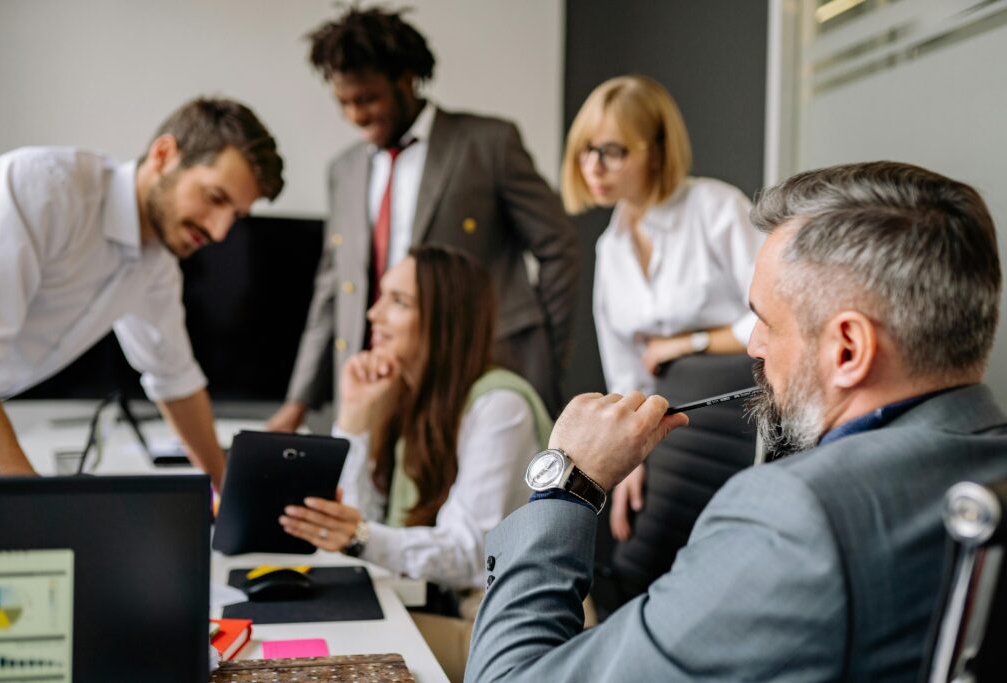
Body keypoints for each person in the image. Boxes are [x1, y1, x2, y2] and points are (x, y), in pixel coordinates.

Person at [465, 161, 1007, 682]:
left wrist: (566, 485)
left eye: (766, 322)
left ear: (847, 349)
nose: (753, 345)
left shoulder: (794, 519)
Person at [266, 6, 578, 431]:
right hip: (381, 379)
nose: (356, 115)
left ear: (406, 80)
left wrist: (542, 350)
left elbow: (558, 245)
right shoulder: (344, 169)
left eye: (368, 99)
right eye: (344, 103)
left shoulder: (488, 143)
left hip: (479, 375)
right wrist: (296, 401)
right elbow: (332, 290)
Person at [279, 245, 550, 680]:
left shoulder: (500, 407)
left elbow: (470, 554)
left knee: (320, 654)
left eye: (398, 302)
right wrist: (353, 420)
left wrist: (358, 536)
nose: (374, 314)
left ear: (446, 322)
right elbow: (363, 522)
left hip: (501, 626)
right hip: (440, 602)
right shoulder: (411, 397)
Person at [0, 98, 285, 489]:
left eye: (236, 216)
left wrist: (223, 487)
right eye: (215, 198)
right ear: (164, 154)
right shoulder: (44, 189)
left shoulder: (156, 265)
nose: (220, 232)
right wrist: (33, 505)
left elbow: (176, 379)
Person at [561, 74, 762, 542]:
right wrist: (629, 459)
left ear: (653, 149)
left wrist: (690, 343)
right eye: (586, 150)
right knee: (637, 547)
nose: (594, 166)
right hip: (670, 424)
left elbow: (776, 315)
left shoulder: (715, 208)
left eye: (612, 151)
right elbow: (625, 369)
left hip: (742, 414)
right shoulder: (611, 246)